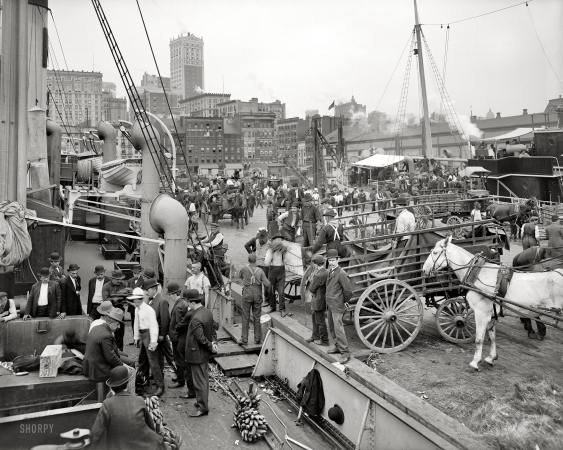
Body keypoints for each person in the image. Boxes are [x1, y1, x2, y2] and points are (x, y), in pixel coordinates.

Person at [90, 366, 165, 450]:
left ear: (112, 387)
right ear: (127, 384)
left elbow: (96, 433)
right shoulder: (139, 400)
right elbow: (150, 426)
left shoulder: (107, 404)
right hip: (143, 445)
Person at [184, 289, 217, 417]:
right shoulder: (207, 312)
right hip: (203, 354)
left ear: (192, 302)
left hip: (197, 354)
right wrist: (214, 343)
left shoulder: (196, 318)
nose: (187, 305)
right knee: (203, 379)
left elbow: (200, 338)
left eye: (188, 302)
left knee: (199, 382)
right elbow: (213, 330)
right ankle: (201, 402)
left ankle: (203, 407)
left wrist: (210, 346)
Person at [128, 287, 164, 396]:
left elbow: (154, 326)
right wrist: (136, 337)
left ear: (142, 299)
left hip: (149, 334)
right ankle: (144, 381)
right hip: (143, 334)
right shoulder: (137, 309)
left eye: (138, 299)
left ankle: (160, 386)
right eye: (135, 299)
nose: (137, 301)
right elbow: (136, 323)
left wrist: (153, 341)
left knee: (153, 362)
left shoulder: (149, 310)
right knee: (142, 360)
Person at [83, 307, 125, 398]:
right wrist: (123, 366)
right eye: (117, 324)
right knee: (128, 372)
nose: (118, 327)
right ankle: (124, 398)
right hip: (99, 370)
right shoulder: (106, 335)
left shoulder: (97, 327)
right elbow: (111, 358)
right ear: (110, 322)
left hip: (90, 366)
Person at [144, 278, 175, 387]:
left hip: (159, 335)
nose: (146, 292)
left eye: (147, 290)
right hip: (153, 334)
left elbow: (165, 319)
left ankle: (176, 375)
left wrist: (162, 334)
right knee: (158, 355)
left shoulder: (162, 301)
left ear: (153, 289)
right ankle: (157, 374)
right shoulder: (151, 299)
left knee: (161, 356)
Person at [325, 249, 353, 364]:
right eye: (329, 260)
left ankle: (345, 353)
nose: (331, 262)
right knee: (331, 327)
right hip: (330, 305)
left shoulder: (341, 274)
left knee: (338, 329)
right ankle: (337, 346)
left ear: (338, 260)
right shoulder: (330, 272)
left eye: (333, 260)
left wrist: (343, 301)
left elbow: (348, 291)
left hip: (337, 305)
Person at [239, 254, 270, 345]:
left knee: (245, 317)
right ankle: (257, 338)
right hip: (257, 294)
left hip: (247, 294)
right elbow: (267, 284)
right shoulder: (260, 271)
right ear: (256, 260)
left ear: (248, 260)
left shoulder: (244, 269)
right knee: (257, 317)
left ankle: (244, 339)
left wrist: (246, 281)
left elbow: (240, 277)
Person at [167, 283, 189, 390]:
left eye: (170, 294)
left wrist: (174, 335)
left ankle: (180, 381)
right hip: (179, 337)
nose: (169, 296)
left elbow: (180, 324)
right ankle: (182, 377)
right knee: (180, 359)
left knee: (178, 360)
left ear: (174, 294)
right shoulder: (183, 303)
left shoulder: (178, 307)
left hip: (177, 338)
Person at [306, 255, 329, 346]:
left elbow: (311, 289)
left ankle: (324, 341)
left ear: (315, 265)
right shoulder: (327, 272)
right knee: (314, 316)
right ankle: (315, 336)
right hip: (323, 299)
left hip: (318, 300)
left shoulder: (318, 275)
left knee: (320, 321)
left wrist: (311, 278)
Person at [244, 228, 271, 306]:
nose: (263, 240)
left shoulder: (269, 244)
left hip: (266, 266)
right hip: (257, 265)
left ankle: (266, 300)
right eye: (262, 239)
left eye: (264, 238)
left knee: (266, 283)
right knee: (257, 283)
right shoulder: (256, 241)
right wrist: (252, 254)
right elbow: (247, 246)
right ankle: (258, 298)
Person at [264, 234, 288, 317]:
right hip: (272, 271)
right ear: (273, 241)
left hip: (281, 270)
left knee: (281, 291)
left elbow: (285, 260)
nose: (279, 241)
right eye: (277, 239)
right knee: (271, 290)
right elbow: (266, 263)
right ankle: (272, 307)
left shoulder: (283, 250)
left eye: (280, 239)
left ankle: (282, 309)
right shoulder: (270, 250)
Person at [102, 270, 128, 351]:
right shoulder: (106, 286)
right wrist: (117, 298)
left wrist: (122, 299)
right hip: (110, 311)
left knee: (120, 332)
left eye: (121, 279)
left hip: (120, 310)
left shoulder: (123, 284)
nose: (120, 281)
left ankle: (120, 351)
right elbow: (105, 300)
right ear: (112, 278)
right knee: (108, 332)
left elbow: (126, 297)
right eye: (118, 279)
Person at [127, 264, 144, 344]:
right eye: (134, 273)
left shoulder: (143, 281)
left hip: (140, 305)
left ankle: (140, 339)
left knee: (140, 322)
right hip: (132, 306)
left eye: (137, 273)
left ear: (140, 273)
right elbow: (127, 293)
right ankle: (135, 339)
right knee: (133, 322)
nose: (136, 275)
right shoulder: (130, 281)